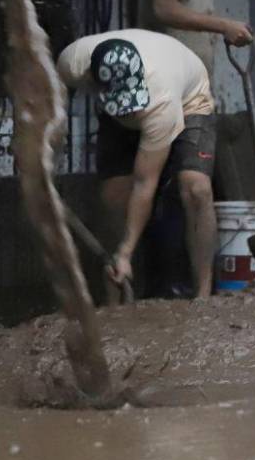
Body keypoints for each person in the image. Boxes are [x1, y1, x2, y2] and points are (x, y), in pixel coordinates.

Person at [57, 29, 217, 297]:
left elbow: (145, 184)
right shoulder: (71, 63)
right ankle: (116, 295)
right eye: (123, 105)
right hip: (117, 109)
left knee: (196, 187)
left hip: (189, 101)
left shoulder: (161, 101)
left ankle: (203, 294)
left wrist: (126, 250)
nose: (130, 111)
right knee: (113, 196)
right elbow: (52, 101)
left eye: (131, 103)